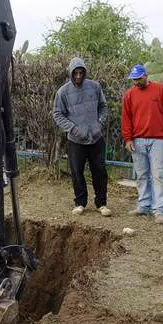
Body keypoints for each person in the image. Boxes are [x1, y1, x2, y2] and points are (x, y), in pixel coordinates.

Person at [53, 57, 112, 217]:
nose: (78, 76)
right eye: (75, 73)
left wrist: (99, 124)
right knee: (77, 172)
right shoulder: (63, 92)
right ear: (71, 74)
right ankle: (80, 203)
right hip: (76, 141)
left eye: (81, 73)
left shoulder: (95, 87)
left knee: (99, 171)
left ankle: (101, 203)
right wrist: (72, 128)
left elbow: (103, 107)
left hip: (96, 138)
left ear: (84, 72)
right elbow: (57, 114)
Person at [121, 63, 163, 224]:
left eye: (138, 79)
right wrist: (128, 138)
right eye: (133, 79)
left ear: (146, 75)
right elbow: (126, 119)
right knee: (142, 174)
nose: (135, 82)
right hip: (137, 140)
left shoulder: (161, 90)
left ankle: (159, 209)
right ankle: (144, 205)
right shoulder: (129, 95)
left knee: (158, 174)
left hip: (158, 139)